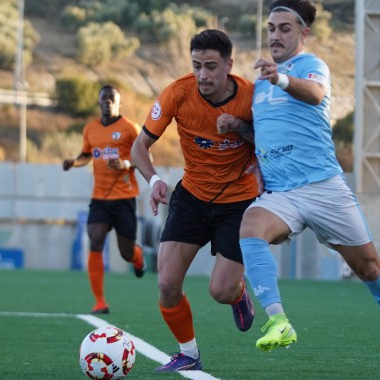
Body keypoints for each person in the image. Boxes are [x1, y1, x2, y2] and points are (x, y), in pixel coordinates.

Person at [234, 1, 380, 378]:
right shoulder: (259, 85)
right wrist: (238, 128)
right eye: (271, 28)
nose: (275, 35)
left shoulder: (311, 66)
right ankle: (279, 321)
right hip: (283, 194)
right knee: (250, 229)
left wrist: (280, 78)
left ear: (303, 33)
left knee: (369, 267)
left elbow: (313, 94)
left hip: (324, 189)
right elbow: (266, 132)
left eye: (284, 28)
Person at [130, 29, 258, 372]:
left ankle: (238, 293)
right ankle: (188, 353)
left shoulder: (251, 97)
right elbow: (138, 147)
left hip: (239, 204)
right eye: (197, 65)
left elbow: (270, 144)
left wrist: (239, 128)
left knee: (220, 290)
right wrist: (155, 179)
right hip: (192, 198)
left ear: (229, 65)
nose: (203, 74)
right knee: (167, 283)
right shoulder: (177, 93)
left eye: (211, 66)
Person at [62, 85, 146, 315]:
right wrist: (73, 163)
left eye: (112, 99)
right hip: (99, 198)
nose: (108, 102)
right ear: (99, 103)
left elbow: (143, 156)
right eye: (104, 99)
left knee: (125, 253)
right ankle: (100, 302)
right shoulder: (90, 129)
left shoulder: (130, 128)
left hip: (124, 198)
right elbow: (86, 155)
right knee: (95, 240)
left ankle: (137, 258)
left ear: (119, 103)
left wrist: (126, 163)